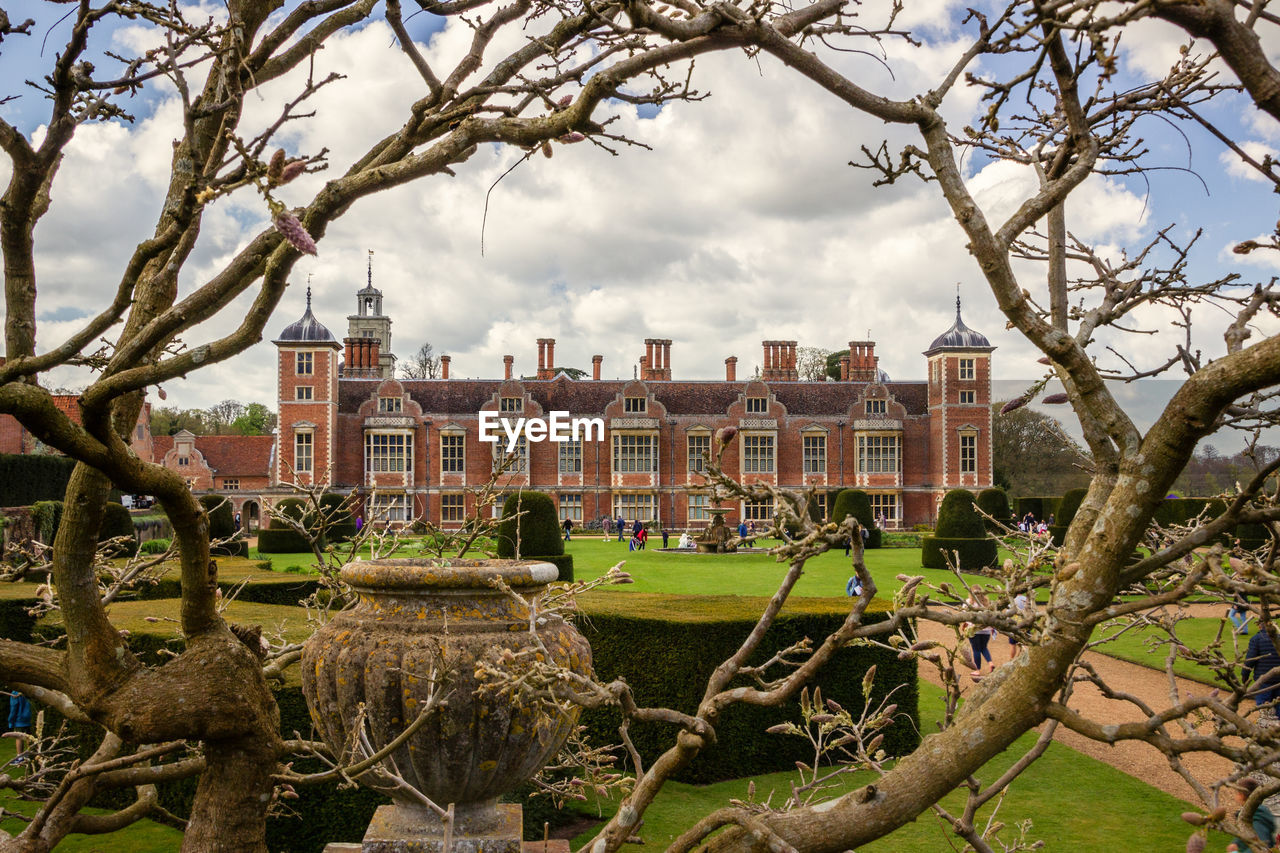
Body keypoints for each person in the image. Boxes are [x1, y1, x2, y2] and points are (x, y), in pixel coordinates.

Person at [1226, 777, 1277, 852]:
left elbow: (1259, 848)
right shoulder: (1251, 816)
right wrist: (1236, 843)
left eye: (1237, 793)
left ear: (1242, 795)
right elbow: (1247, 833)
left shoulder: (1257, 819)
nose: (1235, 796)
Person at [1246, 627, 1280, 722]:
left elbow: (1250, 660)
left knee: (1263, 710)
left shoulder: (1256, 639)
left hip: (1264, 680)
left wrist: (1245, 677)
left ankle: (1265, 731)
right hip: (1278, 681)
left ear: (1259, 626)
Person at [963, 593, 997, 680]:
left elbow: (964, 615)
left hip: (974, 630)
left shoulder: (968, 602)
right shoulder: (987, 603)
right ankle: (991, 663)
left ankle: (977, 670)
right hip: (986, 630)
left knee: (976, 650)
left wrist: (965, 625)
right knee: (984, 648)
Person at [6, 689, 31, 759]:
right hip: (30, 717)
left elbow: (14, 707)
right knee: (30, 737)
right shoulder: (29, 690)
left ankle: (20, 757)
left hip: (19, 719)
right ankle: (32, 754)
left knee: (19, 737)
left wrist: (10, 720)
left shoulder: (15, 692)